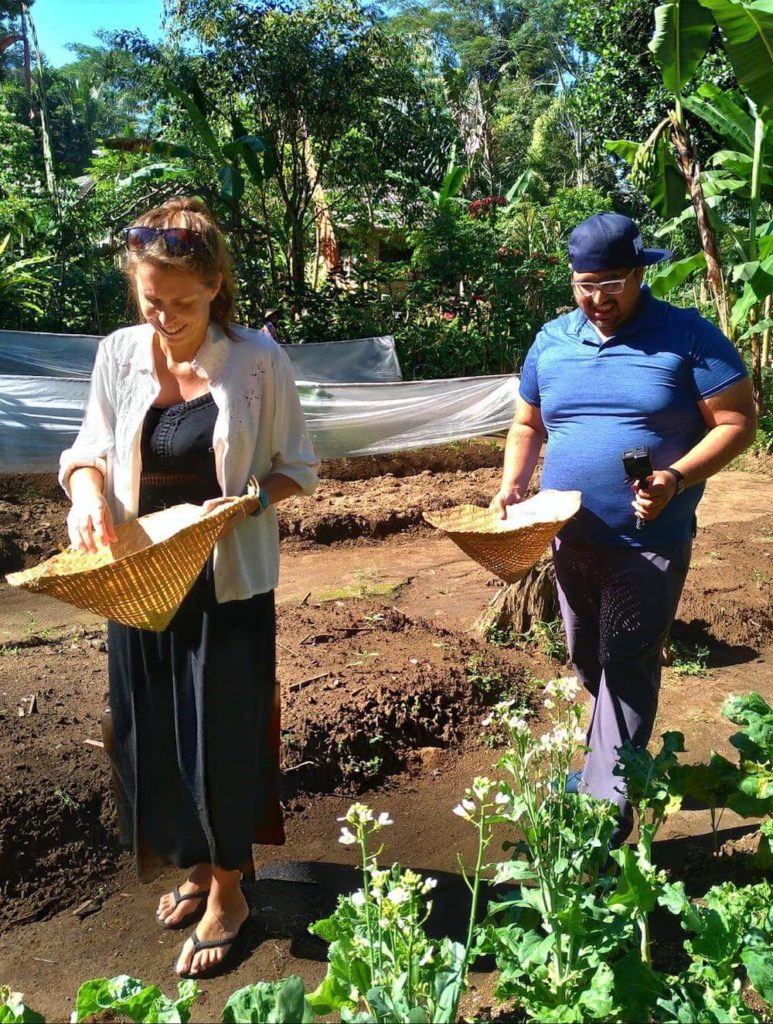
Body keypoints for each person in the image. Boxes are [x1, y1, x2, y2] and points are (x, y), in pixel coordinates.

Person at [59, 197, 319, 977]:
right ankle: (197, 867)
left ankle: (231, 891)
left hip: (226, 583)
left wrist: (249, 502)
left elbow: (296, 468)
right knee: (151, 733)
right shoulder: (118, 353)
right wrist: (83, 494)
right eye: (150, 301)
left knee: (224, 735)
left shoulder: (257, 362)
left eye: (181, 302)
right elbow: (90, 448)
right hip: (140, 580)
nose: (165, 319)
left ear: (214, 288)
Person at [490, 212, 756, 843]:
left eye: (611, 283)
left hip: (649, 542)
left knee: (627, 664)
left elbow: (738, 421)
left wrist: (676, 480)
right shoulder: (552, 340)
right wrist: (513, 483)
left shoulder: (688, 336)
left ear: (640, 273)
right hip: (568, 537)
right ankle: (604, 768)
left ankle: (605, 813)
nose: (597, 299)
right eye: (585, 285)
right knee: (588, 661)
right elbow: (528, 426)